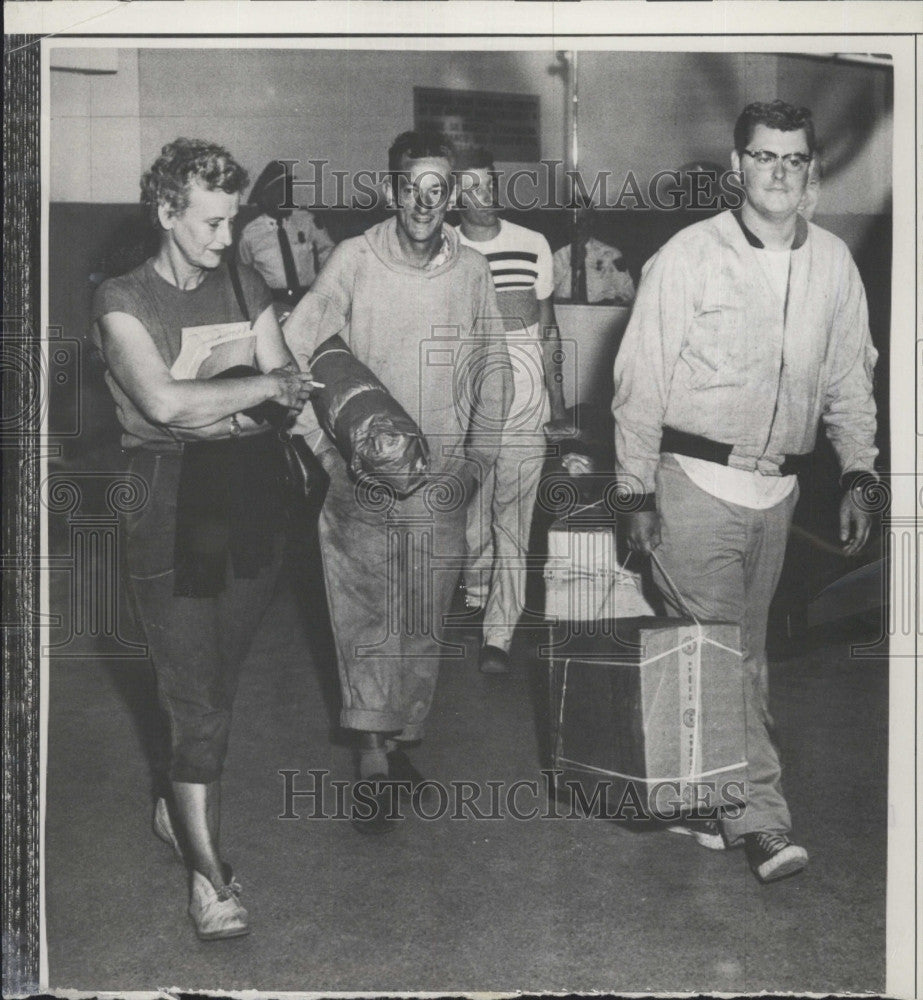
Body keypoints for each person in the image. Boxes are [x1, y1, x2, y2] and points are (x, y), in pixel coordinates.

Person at [612, 100, 877, 883]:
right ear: (736, 168)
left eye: (794, 160)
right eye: (764, 158)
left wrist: (858, 470)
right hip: (691, 481)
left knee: (735, 652)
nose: (779, 174)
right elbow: (639, 381)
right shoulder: (687, 256)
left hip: (778, 492)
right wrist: (632, 493)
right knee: (730, 660)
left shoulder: (832, 262)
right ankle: (761, 819)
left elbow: (846, 380)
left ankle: (698, 796)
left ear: (811, 172)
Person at [92, 138, 318, 938]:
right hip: (168, 498)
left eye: (233, 221)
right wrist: (253, 386)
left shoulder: (241, 277)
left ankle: (175, 805)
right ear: (166, 213)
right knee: (196, 705)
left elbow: (288, 398)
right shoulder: (122, 299)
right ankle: (209, 878)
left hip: (249, 493)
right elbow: (163, 405)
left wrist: (247, 394)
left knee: (216, 687)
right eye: (212, 223)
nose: (227, 239)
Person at [284, 130, 511, 831]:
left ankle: (397, 740)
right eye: (411, 185)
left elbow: (494, 368)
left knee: (419, 623)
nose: (423, 200)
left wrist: (479, 459)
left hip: (441, 480)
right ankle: (374, 758)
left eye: (437, 187)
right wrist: (323, 451)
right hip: (362, 481)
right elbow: (299, 348)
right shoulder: (354, 259)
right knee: (364, 622)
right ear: (390, 191)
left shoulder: (471, 271)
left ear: (452, 196)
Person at [454, 147, 573, 674]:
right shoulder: (443, 245)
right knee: (472, 514)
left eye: (490, 184)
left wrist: (559, 402)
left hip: (526, 388)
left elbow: (548, 330)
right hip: (468, 388)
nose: (484, 197)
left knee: (514, 517)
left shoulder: (532, 243)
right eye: (471, 187)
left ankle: (498, 633)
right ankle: (478, 589)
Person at [237, 159, 335, 321]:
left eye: (289, 190)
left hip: (308, 298)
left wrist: (324, 290)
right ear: (265, 197)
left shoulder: (307, 221)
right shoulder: (251, 233)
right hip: (273, 303)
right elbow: (243, 273)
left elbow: (329, 253)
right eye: (280, 192)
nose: (287, 197)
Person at [552, 207, 635, 305]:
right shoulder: (558, 257)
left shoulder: (612, 255)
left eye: (581, 220)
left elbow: (629, 293)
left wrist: (610, 303)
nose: (576, 226)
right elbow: (556, 300)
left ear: (591, 221)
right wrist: (574, 268)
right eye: (571, 220)